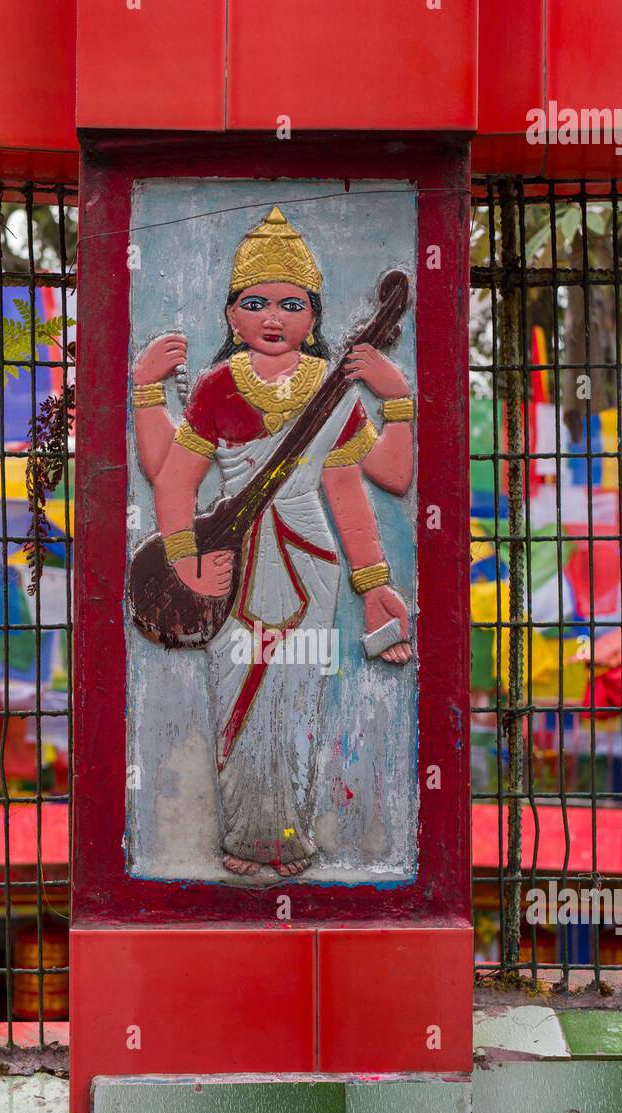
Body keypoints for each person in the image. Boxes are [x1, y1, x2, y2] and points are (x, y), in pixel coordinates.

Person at [131, 207, 415, 877]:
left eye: (291, 303)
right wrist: (187, 566)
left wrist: (395, 395)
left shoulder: (335, 391)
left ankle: (287, 839)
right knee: (238, 694)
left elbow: (374, 482)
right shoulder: (217, 387)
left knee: (294, 699)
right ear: (231, 316)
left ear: (313, 317)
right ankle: (245, 841)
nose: (273, 316)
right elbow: (173, 483)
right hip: (230, 566)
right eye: (254, 302)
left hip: (309, 561)